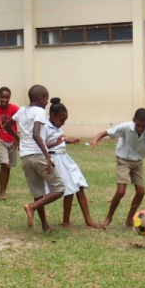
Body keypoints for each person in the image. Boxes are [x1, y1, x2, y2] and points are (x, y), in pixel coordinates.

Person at [5, 84, 65, 232]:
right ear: (40, 98)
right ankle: (31, 207)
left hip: (25, 157)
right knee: (59, 189)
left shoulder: (21, 111)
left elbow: (6, 126)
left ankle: (45, 225)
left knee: (38, 192)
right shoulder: (39, 111)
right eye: (46, 99)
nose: (47, 102)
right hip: (38, 155)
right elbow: (36, 134)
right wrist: (47, 156)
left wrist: (16, 138)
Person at [44, 98, 99, 229]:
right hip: (55, 159)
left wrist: (71, 140)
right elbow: (42, 144)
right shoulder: (45, 127)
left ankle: (88, 220)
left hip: (65, 158)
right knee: (69, 189)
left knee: (79, 185)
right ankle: (66, 221)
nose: (63, 123)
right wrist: (55, 143)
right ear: (52, 116)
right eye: (61, 120)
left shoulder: (57, 126)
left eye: (65, 121)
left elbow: (62, 138)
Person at [0, 86, 19, 200]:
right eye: (2, 97)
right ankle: (1, 191)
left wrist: (18, 138)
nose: (4, 100)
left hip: (12, 141)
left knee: (9, 167)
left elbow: (19, 123)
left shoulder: (15, 109)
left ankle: (4, 190)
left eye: (7, 98)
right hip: (1, 140)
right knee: (4, 164)